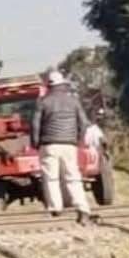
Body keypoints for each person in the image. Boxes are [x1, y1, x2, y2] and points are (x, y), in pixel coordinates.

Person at [31, 70, 91, 219]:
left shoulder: (43, 102)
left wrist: (35, 142)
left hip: (49, 144)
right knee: (73, 177)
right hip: (69, 144)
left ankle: (55, 208)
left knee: (51, 177)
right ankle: (82, 208)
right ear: (63, 85)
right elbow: (84, 123)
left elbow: (35, 125)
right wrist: (78, 140)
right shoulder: (73, 101)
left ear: (48, 86)